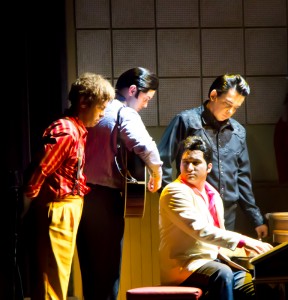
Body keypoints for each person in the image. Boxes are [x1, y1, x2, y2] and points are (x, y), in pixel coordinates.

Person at [22, 72, 115, 300]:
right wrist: (24, 207)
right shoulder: (65, 130)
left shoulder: (78, 131)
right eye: (100, 106)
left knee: (59, 275)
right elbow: (40, 170)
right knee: (51, 280)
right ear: (84, 102)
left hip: (69, 206)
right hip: (58, 208)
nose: (102, 113)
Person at [76, 67, 163, 300]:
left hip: (80, 198)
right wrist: (157, 172)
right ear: (133, 90)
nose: (145, 105)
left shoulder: (92, 110)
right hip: (106, 199)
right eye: (146, 99)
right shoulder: (122, 111)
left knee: (89, 268)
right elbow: (143, 146)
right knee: (108, 270)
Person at [159, 135, 274, 299]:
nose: (190, 167)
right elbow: (200, 230)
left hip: (213, 262)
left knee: (253, 284)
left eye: (196, 162)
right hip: (184, 266)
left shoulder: (213, 195)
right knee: (222, 274)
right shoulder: (174, 191)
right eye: (185, 162)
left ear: (209, 167)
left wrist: (247, 249)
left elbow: (217, 243)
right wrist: (244, 241)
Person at [158, 74, 268, 238]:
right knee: (197, 259)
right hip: (192, 207)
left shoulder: (238, 132)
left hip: (227, 211)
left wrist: (256, 219)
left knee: (223, 258)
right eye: (227, 104)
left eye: (236, 108)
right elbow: (162, 160)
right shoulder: (186, 121)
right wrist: (170, 197)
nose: (230, 111)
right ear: (213, 96)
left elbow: (242, 177)